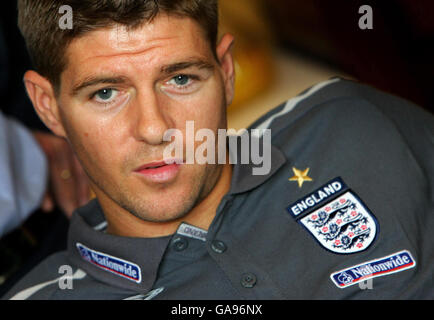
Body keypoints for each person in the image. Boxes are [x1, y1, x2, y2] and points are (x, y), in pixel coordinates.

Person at [3, 0, 433, 300]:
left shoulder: (354, 127)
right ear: (48, 105)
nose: (154, 129)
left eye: (181, 79)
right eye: (105, 93)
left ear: (226, 72)